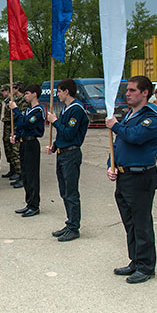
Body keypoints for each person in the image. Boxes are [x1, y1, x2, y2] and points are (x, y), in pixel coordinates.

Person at [106, 76, 157, 284]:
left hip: (141, 177)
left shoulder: (151, 118)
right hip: (125, 176)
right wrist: (110, 165)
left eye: (132, 90)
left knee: (141, 223)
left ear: (145, 92)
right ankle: (136, 260)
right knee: (130, 223)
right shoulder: (129, 116)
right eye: (127, 90)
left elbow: (135, 136)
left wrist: (115, 126)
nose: (127, 94)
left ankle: (147, 266)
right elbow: (119, 144)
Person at [46, 79, 89, 242]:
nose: (57, 95)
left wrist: (54, 121)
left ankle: (74, 227)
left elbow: (70, 133)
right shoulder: (66, 109)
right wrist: (55, 146)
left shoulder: (76, 109)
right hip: (62, 153)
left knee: (71, 192)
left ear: (67, 92)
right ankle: (69, 222)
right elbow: (62, 135)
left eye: (59, 91)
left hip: (71, 154)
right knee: (64, 191)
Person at [9, 83, 45, 217]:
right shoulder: (28, 110)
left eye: (27, 93)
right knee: (25, 174)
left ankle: (34, 205)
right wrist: (16, 136)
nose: (26, 96)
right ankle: (29, 202)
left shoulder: (38, 110)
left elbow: (26, 122)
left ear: (35, 94)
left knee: (32, 175)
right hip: (24, 144)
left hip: (31, 144)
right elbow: (21, 126)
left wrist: (16, 110)